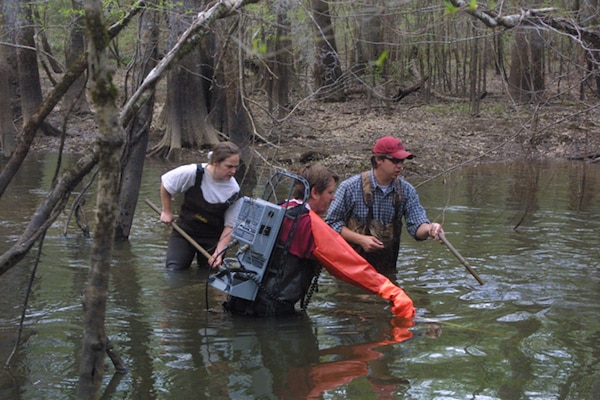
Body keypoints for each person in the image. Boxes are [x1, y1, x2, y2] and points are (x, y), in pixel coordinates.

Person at [222, 163, 415, 318]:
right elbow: (348, 265)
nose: (333, 199)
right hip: (270, 312)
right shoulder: (309, 224)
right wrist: (393, 293)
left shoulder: (282, 207)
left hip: (242, 302)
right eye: (330, 193)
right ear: (314, 192)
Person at [325, 136, 444, 273]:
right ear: (378, 160)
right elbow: (330, 225)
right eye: (394, 160)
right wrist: (361, 239)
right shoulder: (350, 187)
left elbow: (417, 226)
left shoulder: (407, 191)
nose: (400, 165)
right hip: (348, 270)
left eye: (402, 160)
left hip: (386, 271)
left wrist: (430, 229)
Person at [160, 141, 243, 270]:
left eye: (236, 167)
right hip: (184, 232)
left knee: (209, 275)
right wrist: (166, 211)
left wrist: (218, 253)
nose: (233, 171)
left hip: (212, 239)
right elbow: (166, 184)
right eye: (229, 166)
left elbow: (230, 226)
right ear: (215, 162)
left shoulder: (234, 191)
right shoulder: (193, 173)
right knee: (174, 270)